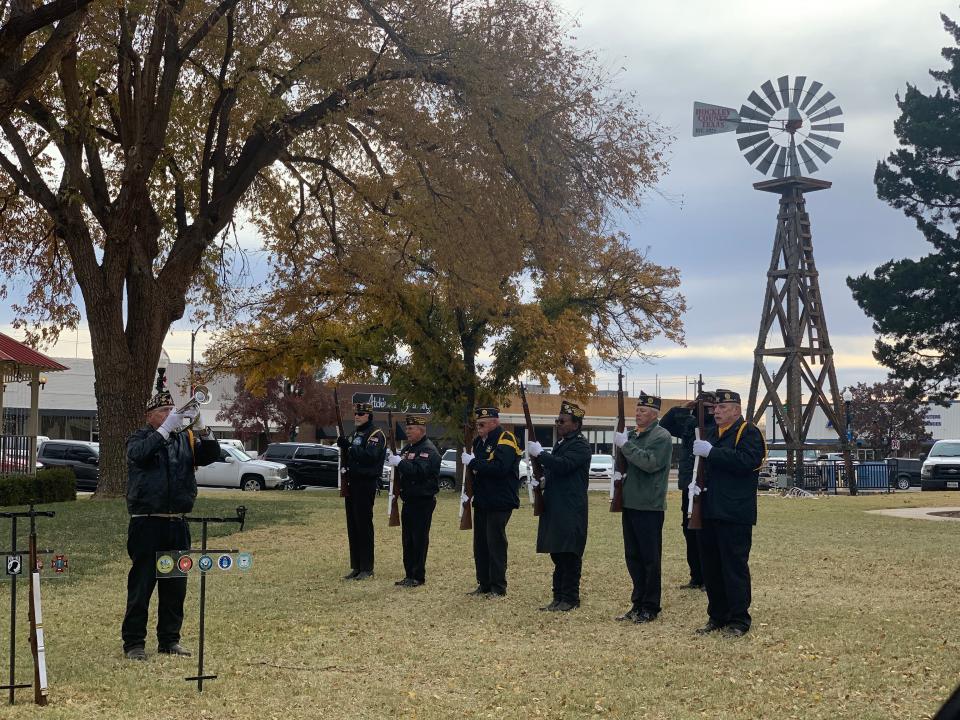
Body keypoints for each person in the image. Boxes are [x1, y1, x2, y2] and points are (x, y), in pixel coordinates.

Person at [122, 389, 220, 661]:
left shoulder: (183, 440)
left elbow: (212, 453)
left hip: (177, 523)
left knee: (175, 586)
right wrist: (166, 428)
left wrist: (200, 426)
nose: (170, 415)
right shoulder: (139, 438)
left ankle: (169, 640)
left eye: (171, 411)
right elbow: (139, 454)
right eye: (163, 412)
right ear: (150, 416)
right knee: (142, 585)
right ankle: (134, 643)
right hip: (147, 524)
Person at [691, 389, 766, 637]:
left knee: (733, 567)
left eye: (723, 408)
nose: (717, 412)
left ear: (736, 409)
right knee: (711, 568)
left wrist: (712, 452)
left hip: (734, 512)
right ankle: (717, 616)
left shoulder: (749, 432)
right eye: (715, 408)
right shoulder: (711, 433)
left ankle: (739, 620)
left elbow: (748, 461)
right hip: (710, 509)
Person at [612, 392, 672, 623]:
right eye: (637, 410)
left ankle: (650, 606)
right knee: (633, 557)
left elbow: (649, 463)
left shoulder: (661, 436)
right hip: (630, 502)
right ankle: (637, 603)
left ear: (655, 414)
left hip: (649, 505)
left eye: (643, 411)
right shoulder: (633, 435)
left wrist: (626, 446)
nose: (638, 414)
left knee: (650, 558)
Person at [529, 400, 591, 612]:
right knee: (557, 552)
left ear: (575, 424)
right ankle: (557, 597)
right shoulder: (562, 443)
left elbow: (564, 465)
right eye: (557, 420)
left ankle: (571, 598)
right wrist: (543, 479)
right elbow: (556, 471)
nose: (558, 424)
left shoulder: (580, 445)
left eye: (562, 421)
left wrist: (541, 455)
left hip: (571, 507)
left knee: (569, 554)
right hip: (557, 505)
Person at [461, 407, 522, 597]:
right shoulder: (479, 442)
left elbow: (500, 468)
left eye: (482, 424)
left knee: (495, 543)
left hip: (500, 499)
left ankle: (498, 587)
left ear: (494, 422)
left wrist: (473, 463)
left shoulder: (505, 439)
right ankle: (484, 584)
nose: (478, 427)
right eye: (477, 424)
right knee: (480, 544)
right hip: (482, 499)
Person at [659, 391, 716, 590]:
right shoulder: (689, 424)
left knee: (706, 534)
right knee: (689, 530)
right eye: (702, 406)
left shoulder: (716, 426)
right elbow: (664, 425)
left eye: (709, 406)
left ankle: (709, 578)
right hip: (688, 484)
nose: (706, 411)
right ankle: (696, 577)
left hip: (707, 485)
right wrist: (684, 408)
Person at [386, 415, 441, 587]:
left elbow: (419, 472)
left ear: (421, 430)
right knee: (408, 539)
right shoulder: (410, 448)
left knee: (419, 538)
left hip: (422, 501)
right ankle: (409, 574)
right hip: (409, 500)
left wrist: (400, 463)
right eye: (407, 428)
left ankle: (418, 576)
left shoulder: (428, 450)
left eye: (411, 429)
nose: (407, 431)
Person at [338, 401, 387, 580]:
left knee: (364, 525)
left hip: (365, 484)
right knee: (353, 525)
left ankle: (367, 567)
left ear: (369, 416)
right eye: (356, 414)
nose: (357, 416)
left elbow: (370, 456)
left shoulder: (376, 434)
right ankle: (357, 566)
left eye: (361, 414)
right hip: (352, 483)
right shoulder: (354, 433)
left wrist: (350, 447)